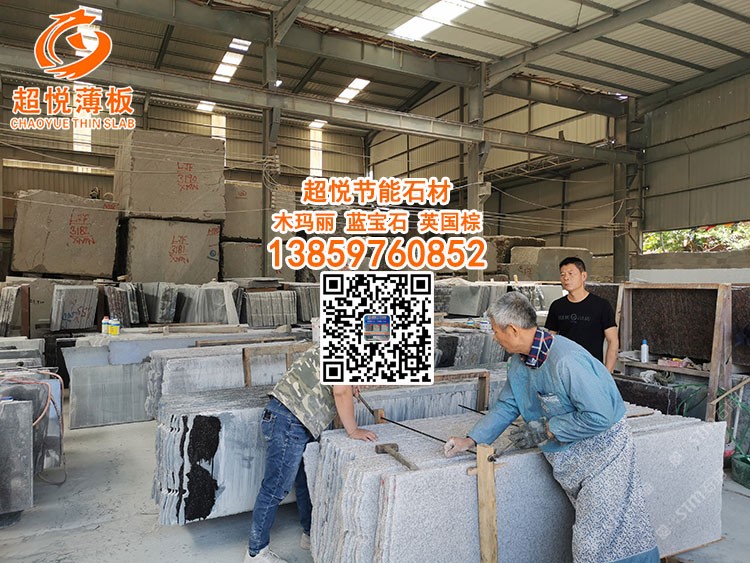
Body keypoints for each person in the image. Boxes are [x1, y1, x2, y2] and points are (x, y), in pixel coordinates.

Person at [444, 292, 659, 563]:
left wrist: (548, 429)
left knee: (594, 544)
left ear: (513, 330)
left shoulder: (567, 360)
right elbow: (508, 405)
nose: (494, 338)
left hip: (605, 457)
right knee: (620, 533)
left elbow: (600, 416)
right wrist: (472, 440)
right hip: (572, 461)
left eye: (496, 331)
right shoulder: (518, 362)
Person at [245, 342, 377, 563]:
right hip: (290, 420)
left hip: (293, 419)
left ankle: (310, 535)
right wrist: (353, 430)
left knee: (305, 482)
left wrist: (351, 383)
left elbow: (333, 382)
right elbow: (340, 391)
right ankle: (256, 553)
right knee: (275, 488)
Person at [546, 256, 619, 372]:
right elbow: (550, 339)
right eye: (562, 274)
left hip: (591, 370)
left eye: (571, 274)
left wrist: (607, 374)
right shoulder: (557, 306)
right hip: (564, 369)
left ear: (584, 276)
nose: (566, 278)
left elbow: (613, 341)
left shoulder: (601, 305)